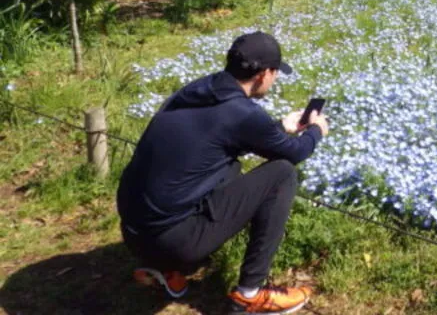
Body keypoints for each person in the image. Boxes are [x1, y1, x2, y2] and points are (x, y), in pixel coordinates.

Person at [117, 31, 329, 314]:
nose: (275, 79)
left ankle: (161, 266)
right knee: (282, 174)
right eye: (276, 73)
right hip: (174, 240)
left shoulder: (198, 90)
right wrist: (316, 131)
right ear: (264, 74)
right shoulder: (242, 113)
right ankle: (250, 293)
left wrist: (280, 126)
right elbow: (295, 152)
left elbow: (219, 138)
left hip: (133, 231)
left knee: (229, 165)